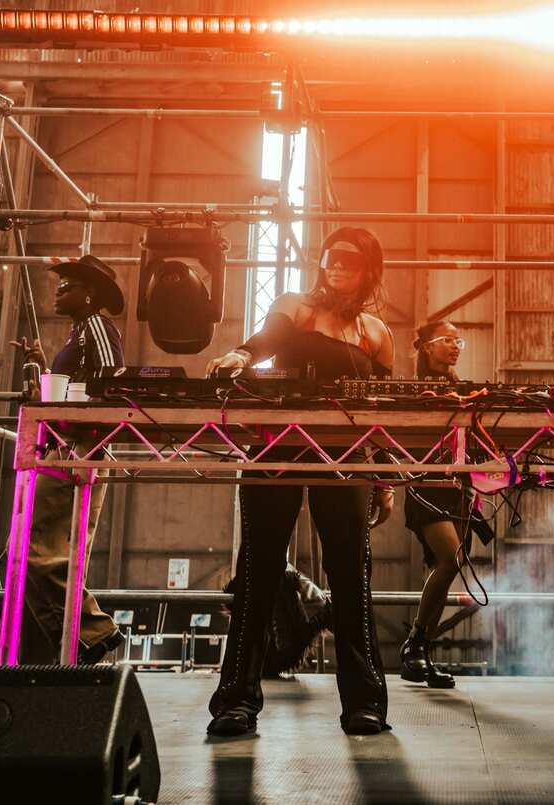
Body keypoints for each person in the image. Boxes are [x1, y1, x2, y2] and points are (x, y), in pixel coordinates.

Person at [204, 226, 394, 737]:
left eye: (349, 262)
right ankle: (236, 701)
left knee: (351, 575)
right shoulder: (297, 306)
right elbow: (266, 340)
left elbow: (382, 411)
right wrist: (242, 355)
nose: (335, 267)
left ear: (367, 271)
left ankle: (365, 702)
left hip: (347, 454)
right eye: (330, 258)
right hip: (277, 445)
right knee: (258, 568)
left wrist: (385, 481)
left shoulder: (375, 332)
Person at [10, 255, 125, 664]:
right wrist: (43, 367)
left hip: (78, 449)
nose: (57, 292)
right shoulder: (78, 335)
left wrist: (83, 442)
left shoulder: (95, 326)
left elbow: (111, 384)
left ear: (89, 293)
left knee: (33, 549)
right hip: (69, 446)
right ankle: (63, 648)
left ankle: (93, 633)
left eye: (67, 285)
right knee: (37, 553)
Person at [399, 320, 468, 688]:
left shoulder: (462, 389)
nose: (455, 346)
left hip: (456, 487)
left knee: (447, 568)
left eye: (460, 341)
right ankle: (414, 644)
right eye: (447, 340)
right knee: (451, 558)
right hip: (425, 484)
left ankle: (421, 650)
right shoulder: (412, 389)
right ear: (426, 347)